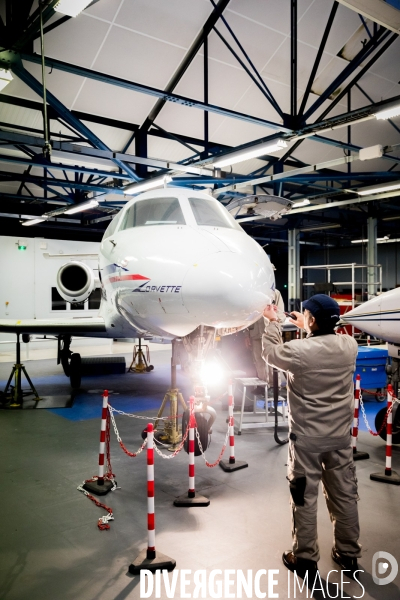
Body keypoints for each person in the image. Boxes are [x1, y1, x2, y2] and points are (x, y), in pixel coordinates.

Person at [262, 294, 361, 580]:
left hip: (307, 443)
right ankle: (348, 553)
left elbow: (270, 352)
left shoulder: (298, 351)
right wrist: (308, 323)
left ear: (313, 320)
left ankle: (304, 559)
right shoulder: (349, 346)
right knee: (345, 496)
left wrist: (274, 322)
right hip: (340, 440)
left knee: (304, 499)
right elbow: (327, 339)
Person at [246, 288, 285, 383]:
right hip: (255, 332)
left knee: (272, 360)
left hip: (270, 332)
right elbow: (247, 315)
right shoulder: (251, 293)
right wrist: (246, 334)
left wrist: (275, 325)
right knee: (258, 360)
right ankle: (262, 384)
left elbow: (280, 313)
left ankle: (273, 386)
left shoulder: (275, 293)